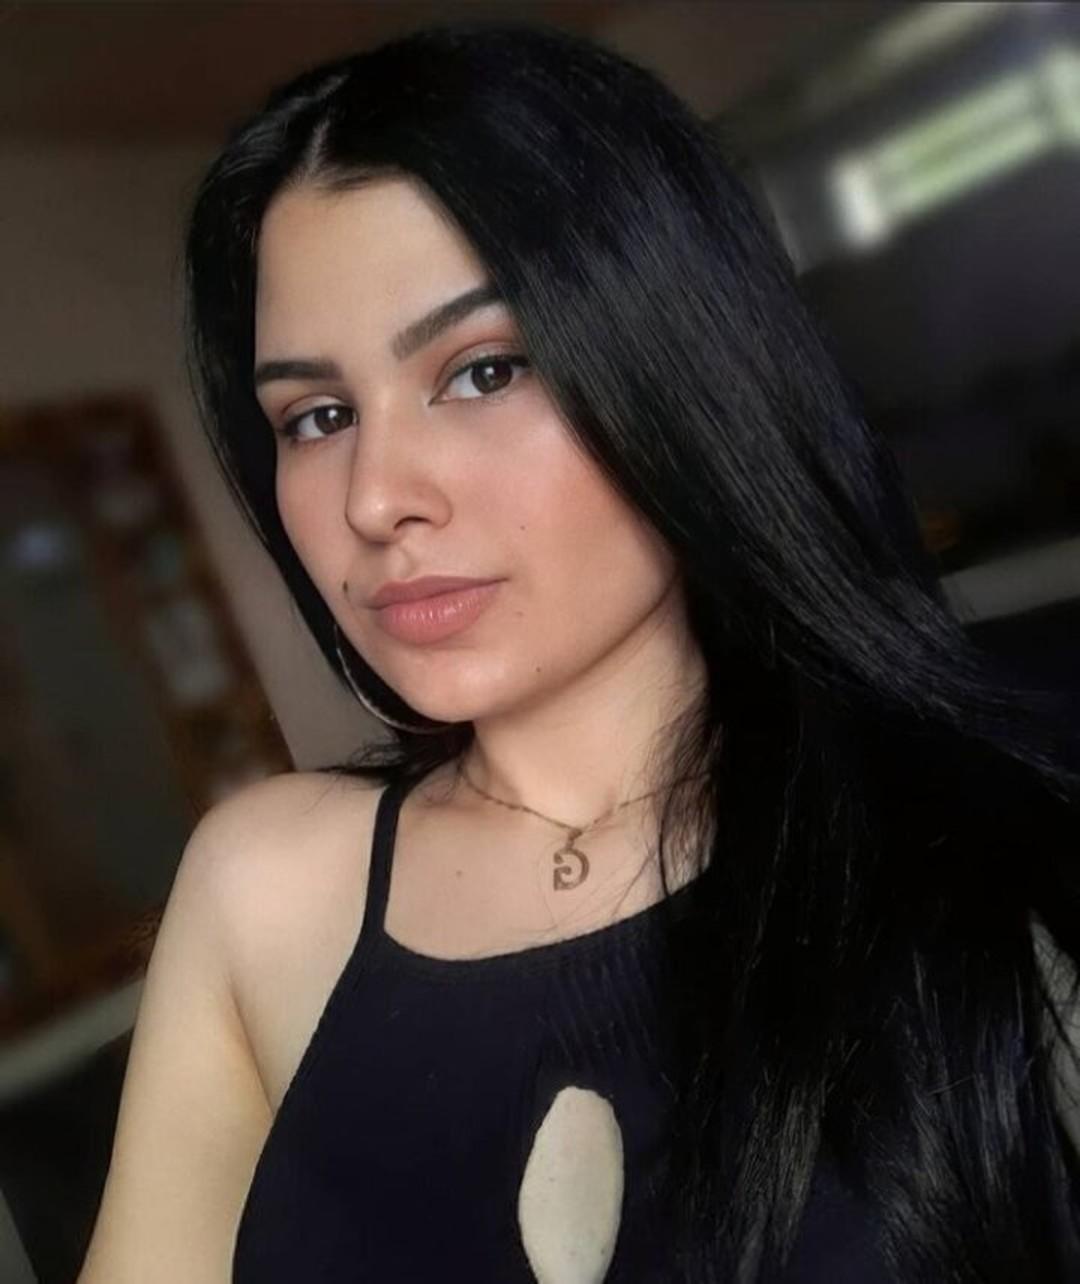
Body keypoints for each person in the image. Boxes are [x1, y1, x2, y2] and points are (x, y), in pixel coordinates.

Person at [78, 19, 1080, 1284]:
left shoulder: (996, 857)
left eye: (484, 371)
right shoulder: (262, 891)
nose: (375, 498)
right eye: (318, 416)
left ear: (680, 371)